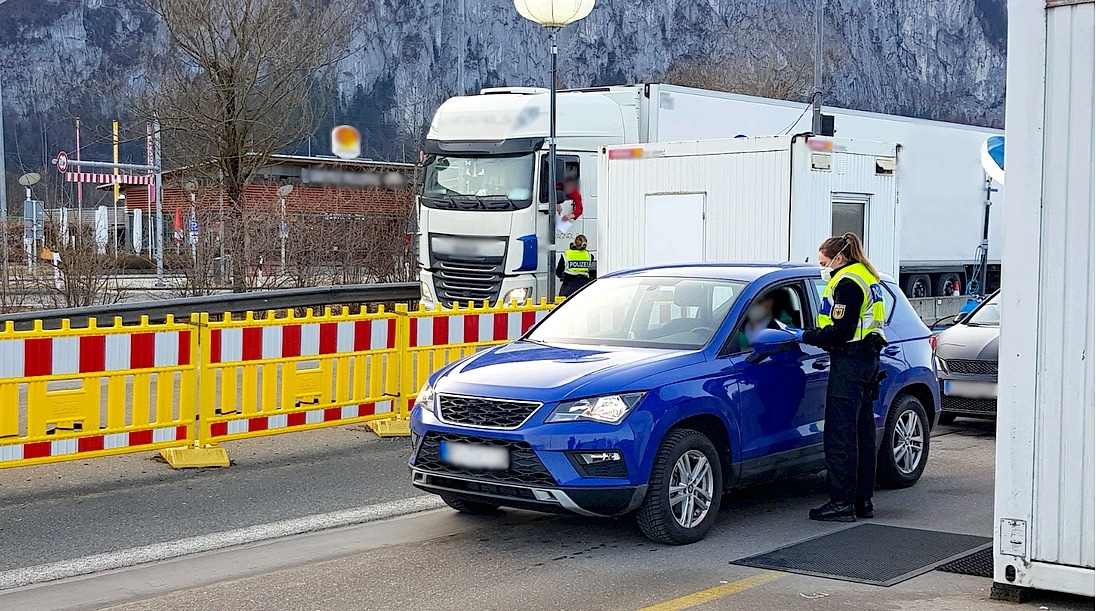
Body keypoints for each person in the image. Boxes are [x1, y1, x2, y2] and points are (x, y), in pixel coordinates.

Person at [789, 232, 887, 522]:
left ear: (838, 258)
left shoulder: (847, 283)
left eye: (824, 261)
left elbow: (842, 331)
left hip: (850, 361)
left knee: (840, 437)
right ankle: (862, 501)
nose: (823, 267)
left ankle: (841, 504)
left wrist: (804, 335)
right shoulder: (866, 275)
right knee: (862, 434)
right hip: (867, 360)